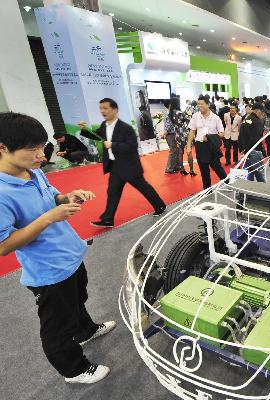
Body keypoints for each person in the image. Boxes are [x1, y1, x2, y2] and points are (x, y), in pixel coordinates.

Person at [0, 112, 116, 384]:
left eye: (42, 147)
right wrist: (48, 218)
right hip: (48, 271)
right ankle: (74, 370)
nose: (42, 155)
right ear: (3, 148)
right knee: (57, 327)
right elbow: (3, 246)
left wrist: (67, 196)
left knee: (77, 300)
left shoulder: (33, 171)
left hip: (70, 255)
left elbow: (52, 195)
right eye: (33, 149)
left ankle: (85, 330)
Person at [80, 98, 166, 228]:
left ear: (115, 110)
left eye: (105, 108)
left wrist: (113, 145)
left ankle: (160, 205)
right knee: (113, 192)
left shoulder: (126, 128)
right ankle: (108, 219)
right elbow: (96, 136)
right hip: (115, 166)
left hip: (129, 166)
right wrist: (84, 129)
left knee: (143, 187)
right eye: (101, 108)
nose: (102, 111)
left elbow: (131, 146)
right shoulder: (104, 125)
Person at [187, 96, 228, 190]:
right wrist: (188, 146)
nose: (199, 106)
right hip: (200, 146)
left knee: (217, 167)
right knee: (203, 170)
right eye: (198, 104)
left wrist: (210, 137)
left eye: (202, 104)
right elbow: (192, 131)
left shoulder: (215, 118)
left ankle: (228, 183)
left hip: (212, 146)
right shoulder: (195, 116)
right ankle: (207, 189)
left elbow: (222, 133)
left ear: (208, 105)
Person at [163, 97, 191, 175]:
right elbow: (188, 120)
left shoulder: (170, 113)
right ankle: (171, 168)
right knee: (177, 151)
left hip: (175, 134)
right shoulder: (179, 112)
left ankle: (177, 166)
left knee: (177, 151)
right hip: (179, 133)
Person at [238, 103, 266, 182]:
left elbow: (240, 136)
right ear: (257, 111)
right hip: (254, 150)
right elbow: (255, 138)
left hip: (246, 151)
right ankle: (263, 192)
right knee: (260, 175)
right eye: (262, 111)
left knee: (248, 174)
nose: (263, 113)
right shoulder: (257, 121)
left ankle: (247, 192)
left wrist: (243, 150)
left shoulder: (246, 119)